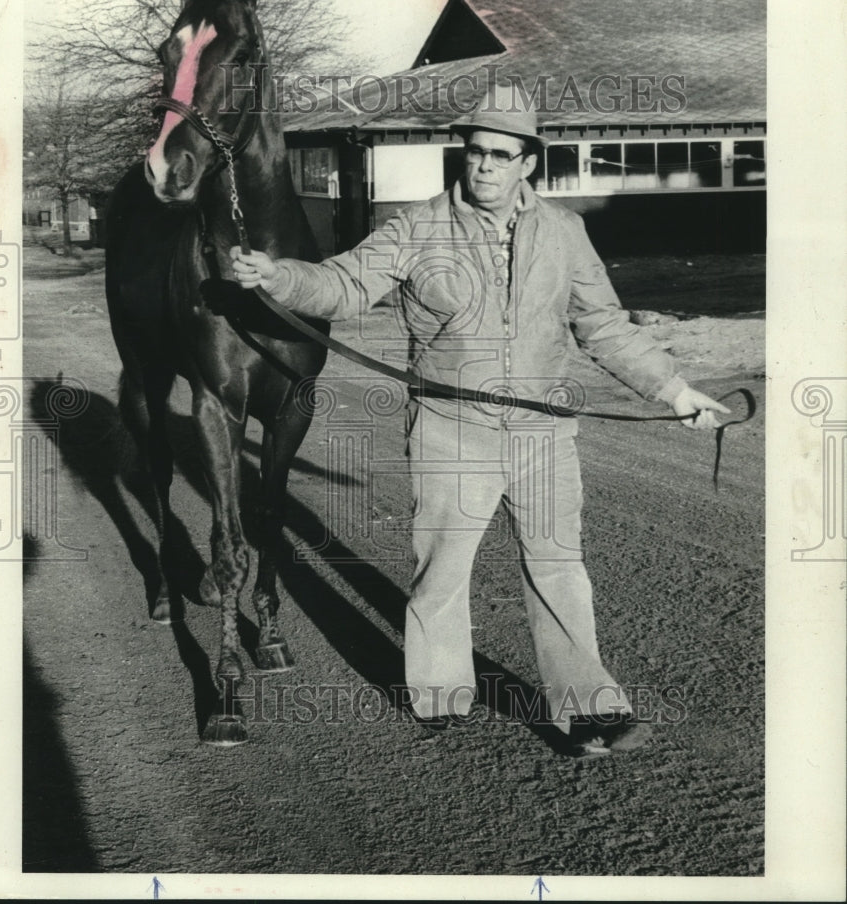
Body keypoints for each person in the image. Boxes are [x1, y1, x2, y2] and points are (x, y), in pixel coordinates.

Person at [231, 84, 729, 755]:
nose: (484, 166)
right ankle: (439, 693)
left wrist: (674, 391)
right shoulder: (417, 227)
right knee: (442, 567)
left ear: (528, 162)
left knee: (558, 566)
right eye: (474, 152)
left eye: (500, 154)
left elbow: (603, 326)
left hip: (542, 431)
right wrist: (278, 277)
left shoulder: (563, 232)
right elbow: (344, 285)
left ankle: (586, 707)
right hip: (450, 429)